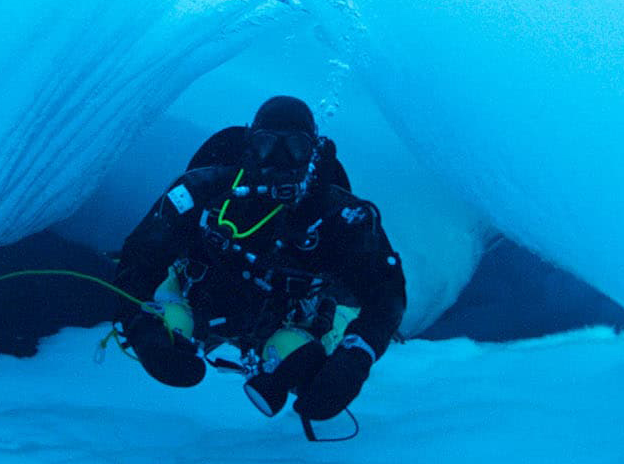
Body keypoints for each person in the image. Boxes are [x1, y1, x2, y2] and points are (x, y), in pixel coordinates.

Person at [112, 96, 406, 428]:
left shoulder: (339, 215)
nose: (280, 158)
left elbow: (387, 293)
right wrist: (141, 328)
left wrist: (356, 358)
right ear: (250, 147)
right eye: (267, 144)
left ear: (312, 154)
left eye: (295, 147)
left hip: (288, 316)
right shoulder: (202, 191)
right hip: (199, 295)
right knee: (170, 318)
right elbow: (140, 255)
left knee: (297, 353)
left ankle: (317, 342)